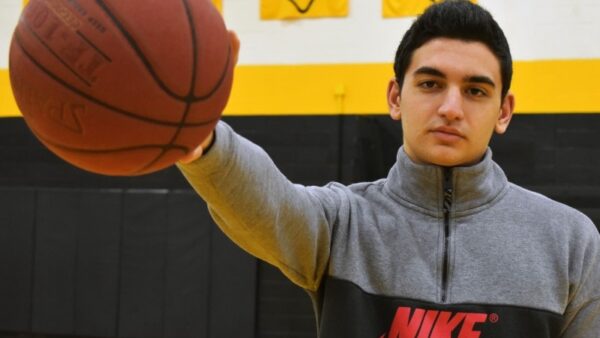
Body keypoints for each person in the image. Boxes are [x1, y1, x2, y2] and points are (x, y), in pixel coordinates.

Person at [178, 1, 600, 336]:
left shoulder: (569, 241)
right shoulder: (341, 223)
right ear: (396, 98)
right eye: (431, 84)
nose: (451, 108)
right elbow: (267, 203)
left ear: (503, 111)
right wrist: (202, 137)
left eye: (475, 90)